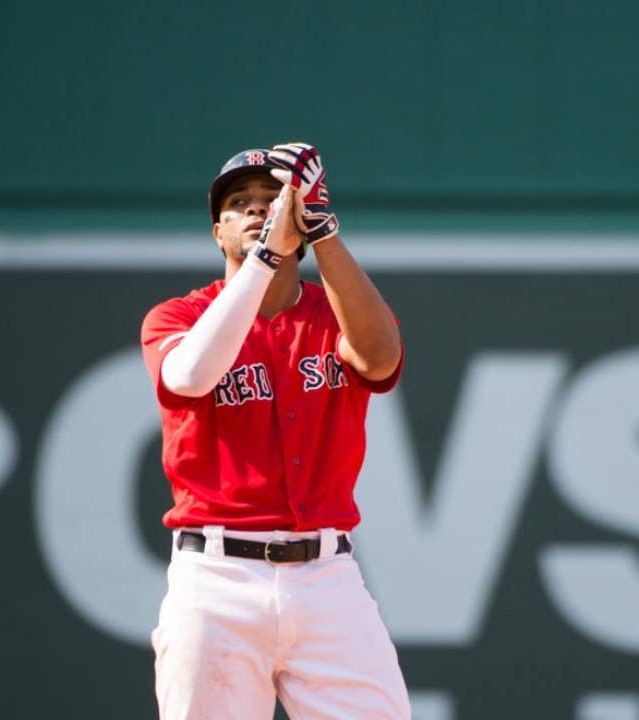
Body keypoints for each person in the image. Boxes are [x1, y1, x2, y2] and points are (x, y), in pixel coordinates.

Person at [139, 143, 411, 719]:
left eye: (273, 199)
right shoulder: (177, 317)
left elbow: (380, 359)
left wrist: (323, 232)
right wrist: (267, 257)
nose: (261, 210)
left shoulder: (331, 312)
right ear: (219, 231)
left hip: (327, 578)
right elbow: (189, 375)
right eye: (242, 203)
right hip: (216, 577)